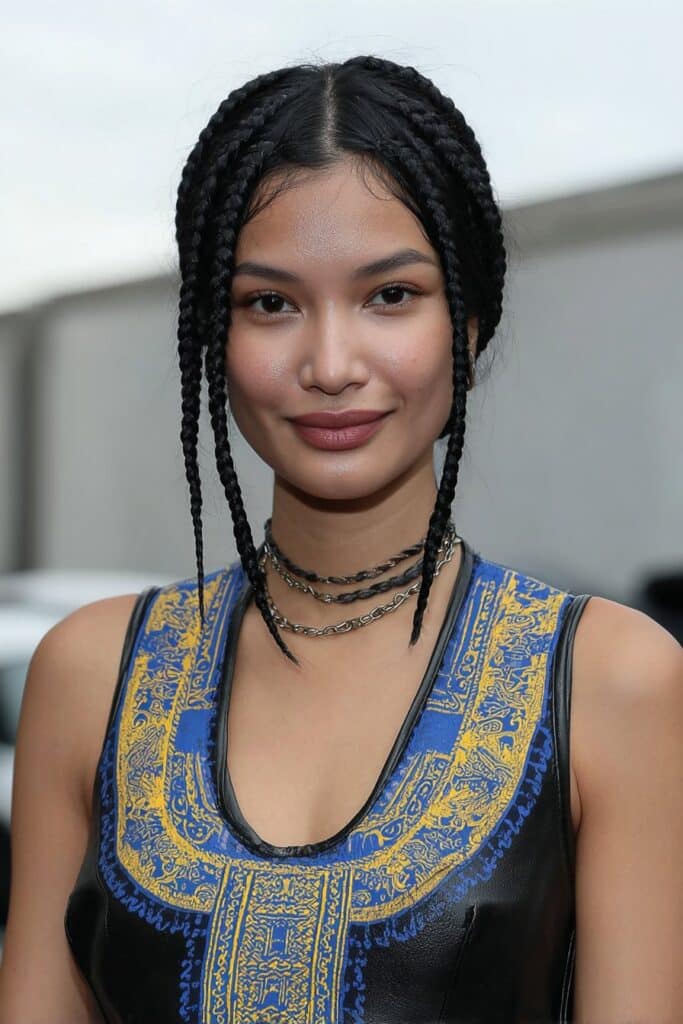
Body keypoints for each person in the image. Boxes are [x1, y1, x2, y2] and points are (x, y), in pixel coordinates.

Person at [0, 55, 681, 1024]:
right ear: (213, 336)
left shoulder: (613, 680)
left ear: (469, 322)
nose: (329, 364)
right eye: (269, 303)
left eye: (389, 295)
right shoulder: (89, 672)